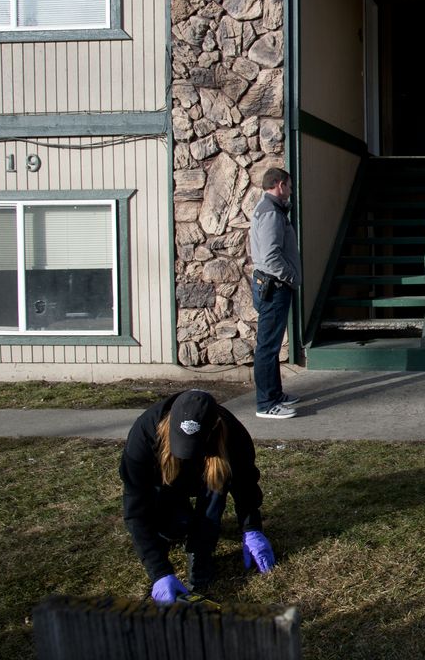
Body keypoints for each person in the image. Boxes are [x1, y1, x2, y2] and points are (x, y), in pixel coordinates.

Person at [119, 389, 278, 603]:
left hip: (206, 475)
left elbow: (245, 484)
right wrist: (159, 572)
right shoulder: (144, 434)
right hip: (165, 481)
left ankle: (201, 555)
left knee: (218, 483)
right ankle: (177, 521)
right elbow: (135, 509)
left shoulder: (232, 431)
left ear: (213, 429)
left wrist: (252, 528)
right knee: (172, 527)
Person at [250, 167, 302, 419]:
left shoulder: (267, 208)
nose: (291, 191)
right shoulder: (271, 212)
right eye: (289, 186)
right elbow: (271, 256)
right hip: (274, 286)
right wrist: (290, 276)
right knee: (268, 347)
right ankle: (266, 403)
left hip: (271, 285)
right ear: (279, 185)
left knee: (269, 345)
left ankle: (275, 393)